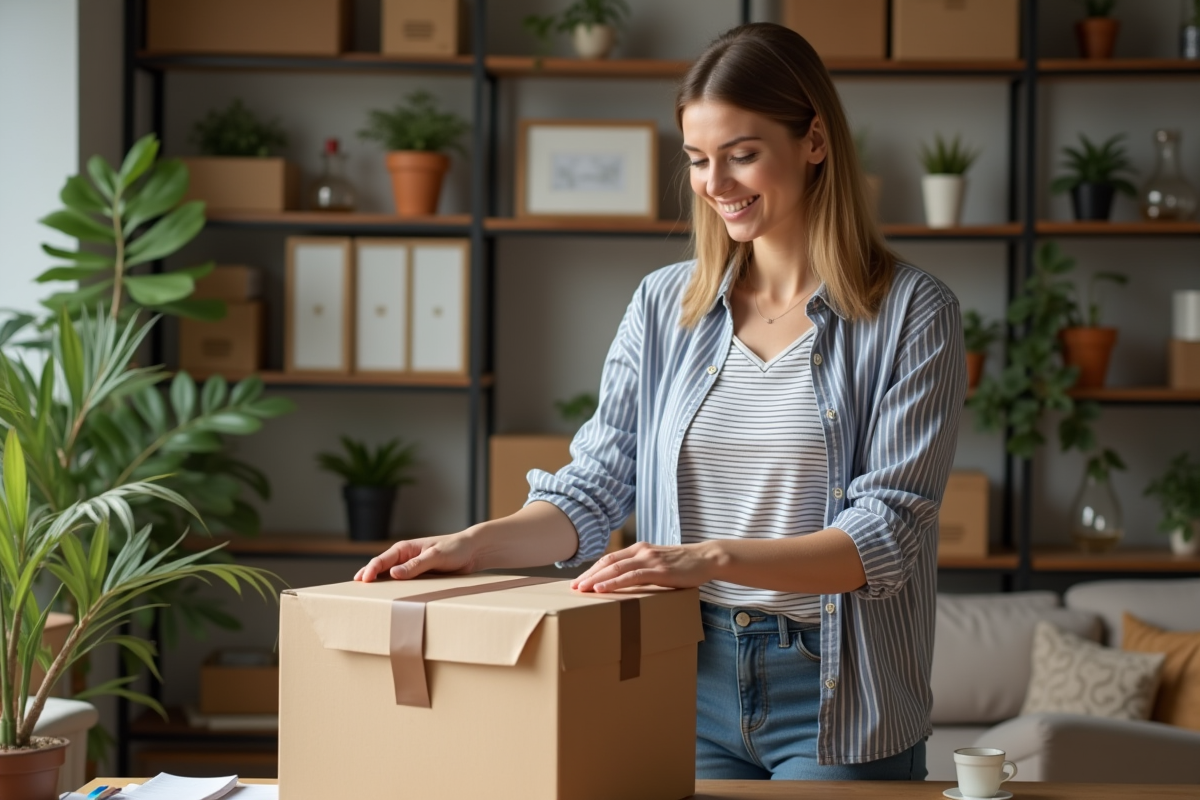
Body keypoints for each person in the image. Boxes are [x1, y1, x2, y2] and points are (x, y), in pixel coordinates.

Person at [355, 22, 966, 782]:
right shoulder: (662, 306)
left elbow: (885, 536)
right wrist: (470, 545)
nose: (716, 184)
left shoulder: (912, 313)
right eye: (699, 160)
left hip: (836, 695)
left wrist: (704, 558)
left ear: (813, 141)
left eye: (743, 154)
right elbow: (593, 488)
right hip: (680, 670)